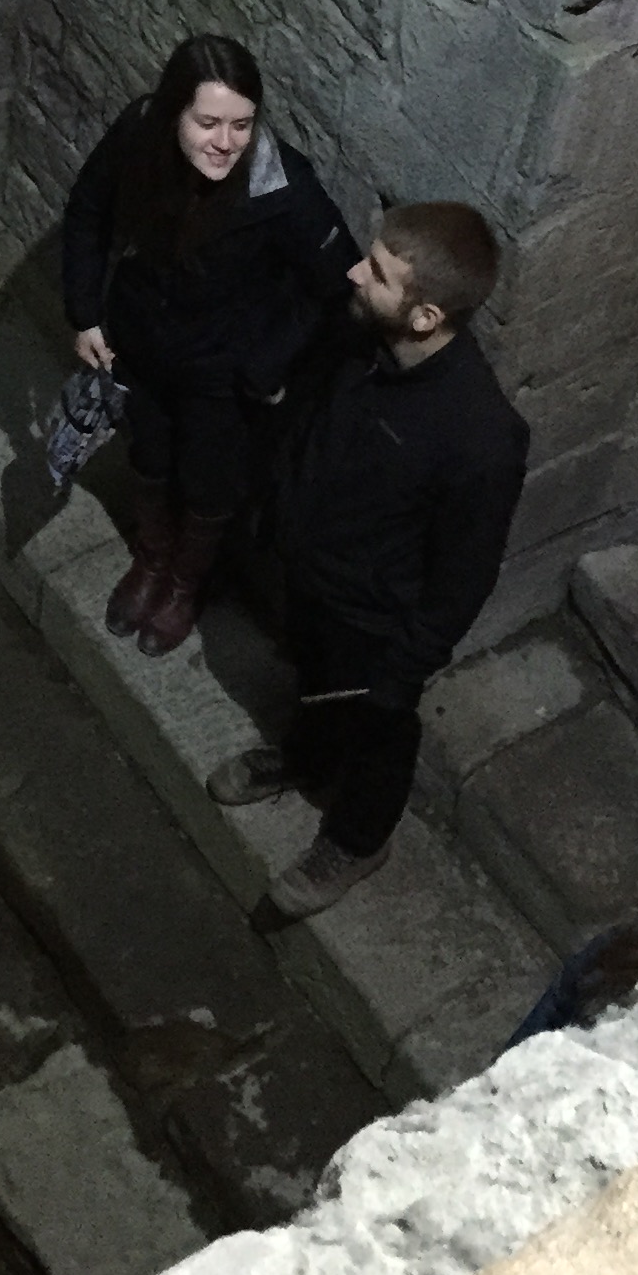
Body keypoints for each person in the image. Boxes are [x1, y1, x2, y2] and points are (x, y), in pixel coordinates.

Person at [210, 202, 530, 920]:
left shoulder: (480, 436)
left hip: (373, 617)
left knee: (379, 730)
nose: (356, 272)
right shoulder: (361, 336)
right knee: (314, 684)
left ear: (426, 317)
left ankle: (358, 840)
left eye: (379, 273)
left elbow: (465, 571)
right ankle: (307, 760)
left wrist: (403, 668)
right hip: (314, 577)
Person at [60, 35, 355, 657]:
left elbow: (335, 284)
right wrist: (85, 313)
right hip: (141, 340)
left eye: (241, 125)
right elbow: (89, 208)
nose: (225, 142)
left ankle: (183, 585)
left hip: (221, 368)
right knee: (150, 453)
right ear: (175, 113)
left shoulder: (283, 187)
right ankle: (152, 560)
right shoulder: (141, 134)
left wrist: (267, 362)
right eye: (208, 123)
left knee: (208, 481)